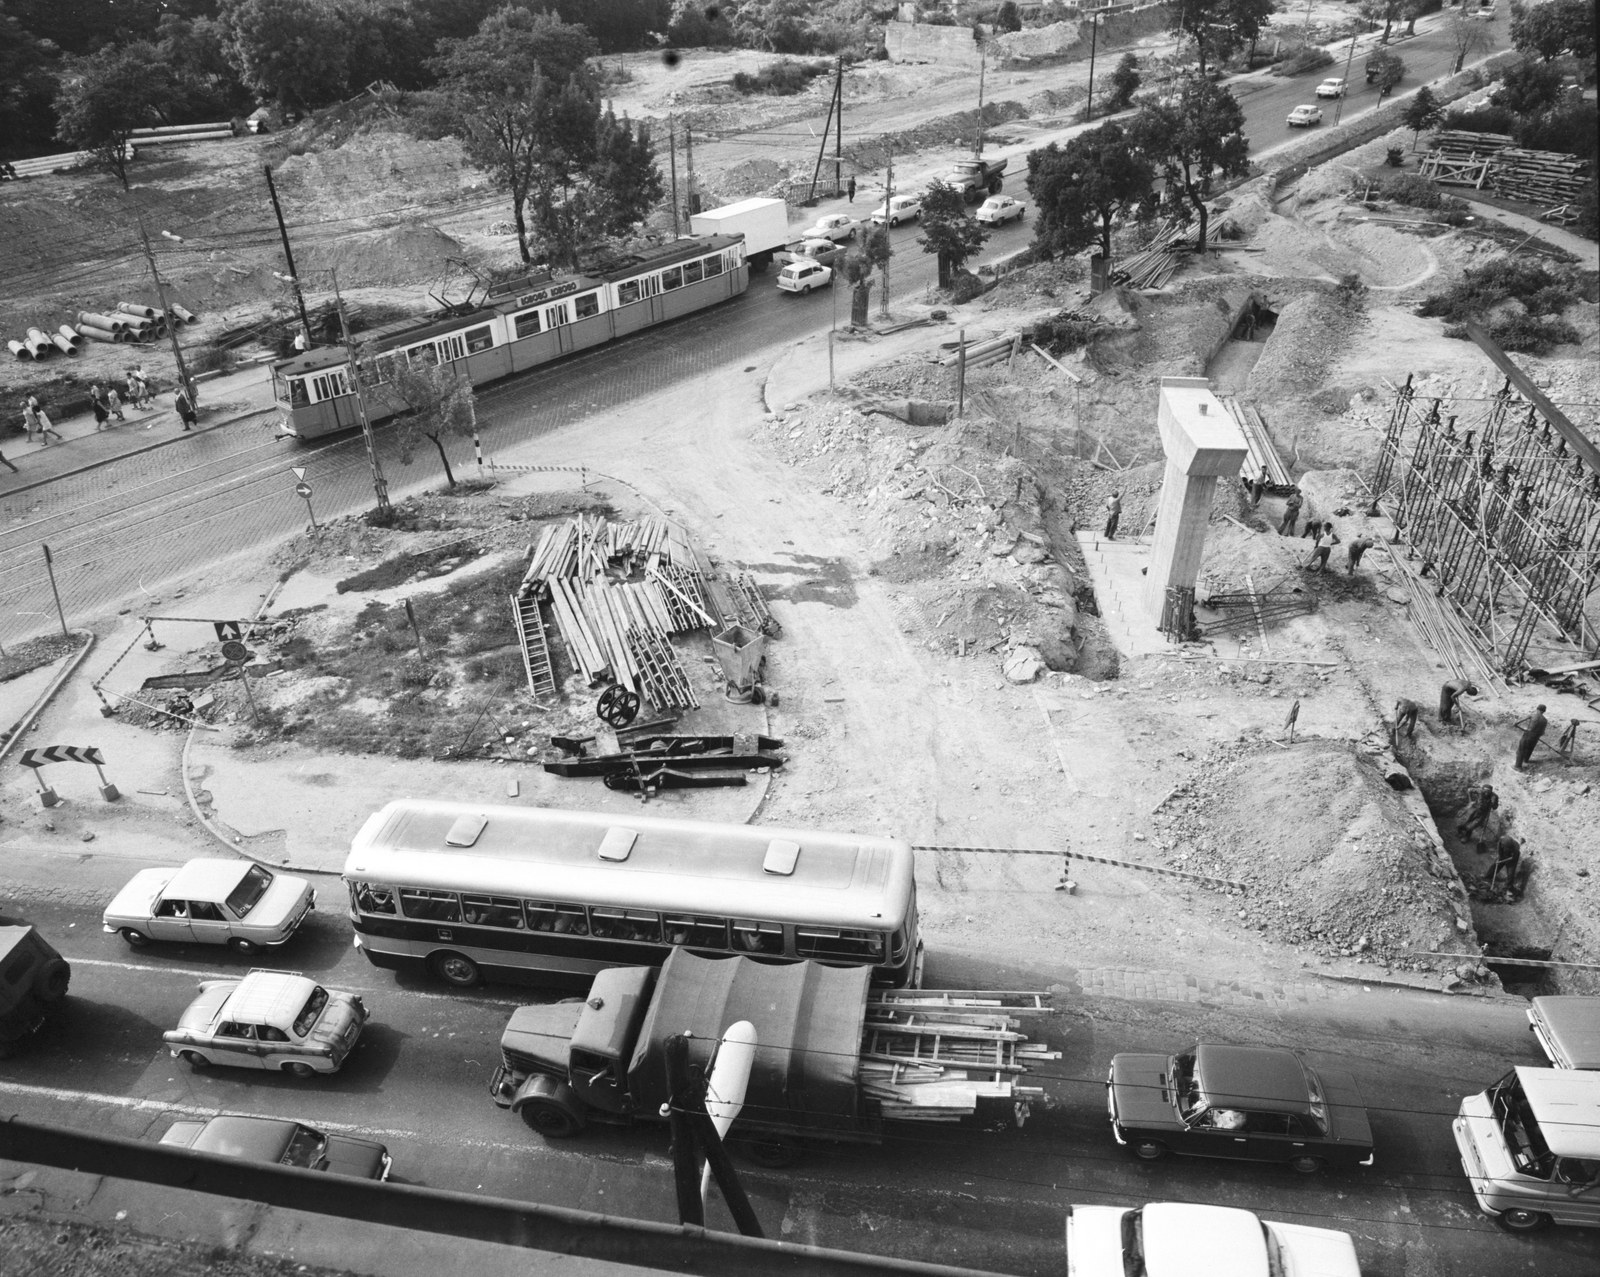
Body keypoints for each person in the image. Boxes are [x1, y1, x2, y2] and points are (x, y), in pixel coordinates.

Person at [1514, 703, 1548, 771]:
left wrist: (1516, 724)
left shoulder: (1532, 715)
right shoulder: (1545, 720)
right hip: (1536, 736)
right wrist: (1536, 735)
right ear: (1544, 711)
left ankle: (1518, 766)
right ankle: (1526, 760)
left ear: (1537, 709)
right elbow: (1542, 732)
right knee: (1530, 748)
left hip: (1528, 734)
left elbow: (1518, 722)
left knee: (1521, 749)